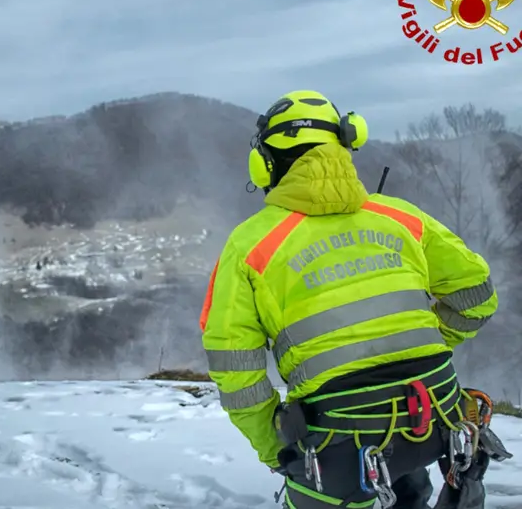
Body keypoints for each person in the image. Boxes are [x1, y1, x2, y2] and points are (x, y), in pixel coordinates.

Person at [199, 90, 500, 509]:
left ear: (265, 163)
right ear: (346, 144)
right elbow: (476, 298)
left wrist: (277, 449)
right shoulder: (401, 218)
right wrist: (422, 344)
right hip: (437, 417)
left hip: (337, 442)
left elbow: (236, 371)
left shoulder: (249, 246)